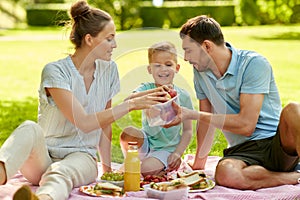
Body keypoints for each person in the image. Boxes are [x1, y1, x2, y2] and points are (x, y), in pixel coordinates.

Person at [0, 1, 169, 200]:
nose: (115, 45)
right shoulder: (55, 71)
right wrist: (130, 104)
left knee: (60, 173)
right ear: (89, 39)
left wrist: (106, 171)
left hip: (82, 158)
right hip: (43, 156)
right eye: (109, 38)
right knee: (29, 128)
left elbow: (104, 124)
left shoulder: (109, 70)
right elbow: (84, 122)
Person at [166, 15, 300, 190]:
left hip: (275, 144)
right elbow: (206, 123)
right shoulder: (200, 71)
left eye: (189, 50)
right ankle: (292, 177)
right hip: (242, 152)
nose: (185, 58)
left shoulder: (254, 64)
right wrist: (198, 167)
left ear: (207, 46)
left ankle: (271, 174)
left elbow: (246, 125)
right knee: (225, 173)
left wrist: (191, 114)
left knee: (294, 110)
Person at [120, 41, 194, 176]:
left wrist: (177, 153)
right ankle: (133, 161)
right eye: (157, 65)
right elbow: (127, 101)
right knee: (128, 132)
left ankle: (155, 168)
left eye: (168, 64)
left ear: (177, 68)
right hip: (146, 143)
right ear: (150, 69)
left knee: (144, 170)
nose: (163, 69)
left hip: (166, 149)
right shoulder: (146, 88)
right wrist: (154, 93)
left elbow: (188, 130)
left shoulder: (183, 96)